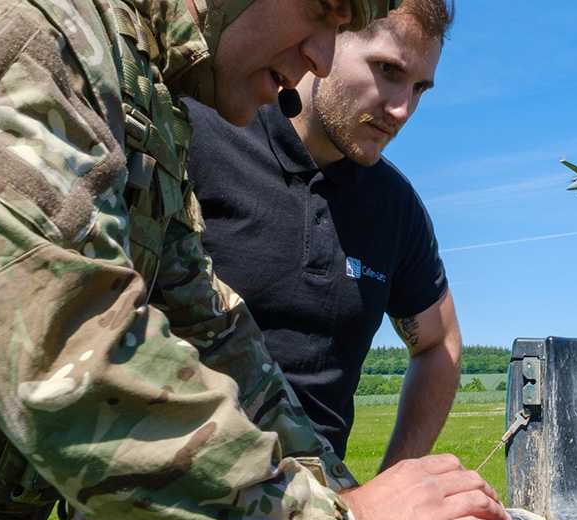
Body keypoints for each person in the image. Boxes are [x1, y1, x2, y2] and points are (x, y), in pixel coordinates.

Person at [0, 1, 509, 520]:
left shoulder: (146, 103)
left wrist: (360, 504)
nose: (318, 56)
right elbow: (71, 367)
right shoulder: (33, 29)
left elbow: (211, 327)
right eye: (321, 11)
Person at [189, 0, 458, 467]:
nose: (402, 110)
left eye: (420, 89)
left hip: (327, 518)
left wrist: (391, 483)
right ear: (328, 40)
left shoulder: (395, 207)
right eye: (387, 70)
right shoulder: (201, 133)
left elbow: (439, 343)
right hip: (178, 508)